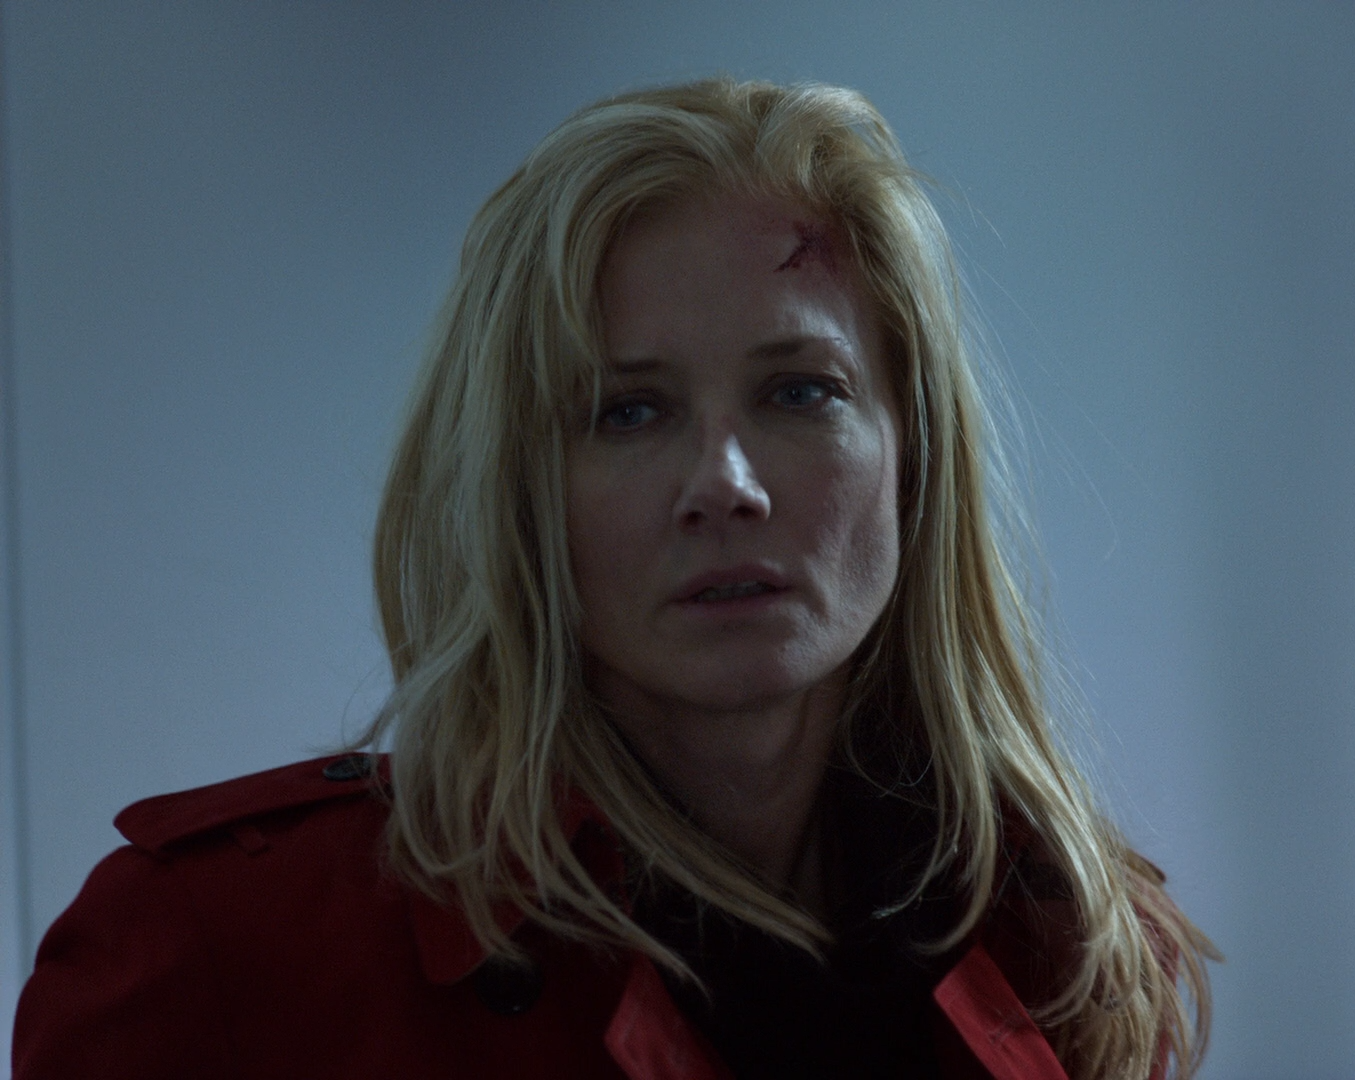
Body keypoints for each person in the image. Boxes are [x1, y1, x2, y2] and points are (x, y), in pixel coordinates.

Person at [12, 78, 1216, 1080]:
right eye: (626, 410)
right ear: (518, 488)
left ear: (915, 457)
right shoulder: (216, 952)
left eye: (800, 391)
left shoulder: (1074, 945)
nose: (726, 484)